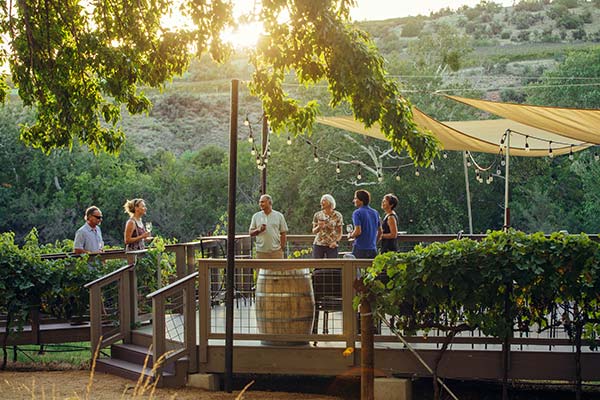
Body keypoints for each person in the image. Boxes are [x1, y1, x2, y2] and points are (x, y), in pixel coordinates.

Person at [249, 194, 288, 259]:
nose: (260, 204)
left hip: (276, 252)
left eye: (262, 202)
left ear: (269, 203)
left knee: (277, 269)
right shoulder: (256, 216)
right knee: (261, 269)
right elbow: (250, 233)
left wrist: (281, 248)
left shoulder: (279, 216)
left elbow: (283, 233)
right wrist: (259, 230)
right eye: (259, 202)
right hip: (261, 252)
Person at [348, 190, 381, 259]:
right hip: (372, 249)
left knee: (355, 268)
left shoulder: (357, 213)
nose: (353, 200)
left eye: (355, 198)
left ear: (361, 200)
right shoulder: (375, 212)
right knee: (371, 269)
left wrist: (351, 235)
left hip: (360, 248)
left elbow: (358, 231)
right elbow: (380, 232)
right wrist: (374, 243)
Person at [312, 194, 343, 258]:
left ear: (330, 203)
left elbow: (340, 232)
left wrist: (336, 242)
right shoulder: (317, 215)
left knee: (332, 266)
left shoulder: (338, 215)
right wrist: (319, 227)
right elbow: (314, 231)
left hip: (332, 245)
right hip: (319, 244)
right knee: (317, 266)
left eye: (324, 201)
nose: (321, 202)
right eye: (321, 201)